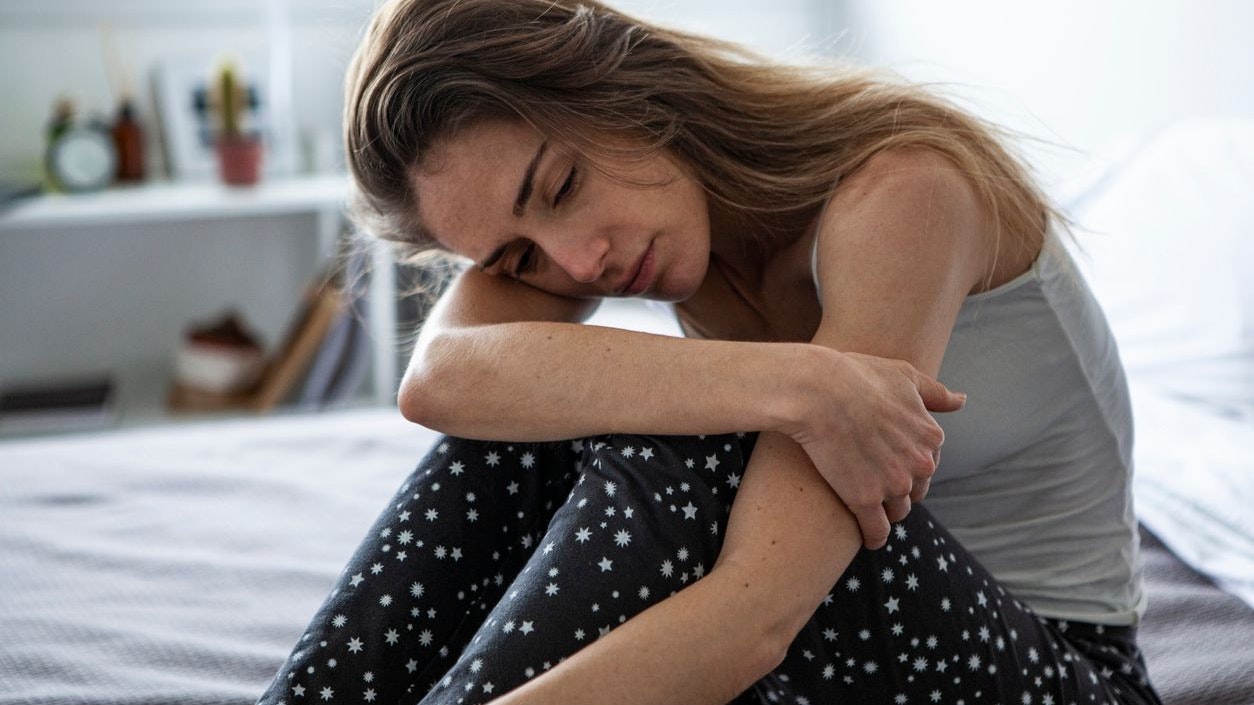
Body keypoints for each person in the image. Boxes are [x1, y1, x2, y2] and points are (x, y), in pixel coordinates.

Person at [258, 0, 1162, 703]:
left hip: (1052, 672)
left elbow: (754, 616)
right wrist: (799, 379)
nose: (577, 263)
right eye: (516, 258)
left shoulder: (903, 191)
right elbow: (443, 379)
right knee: (533, 426)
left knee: (694, 441)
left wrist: (755, 396)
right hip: (824, 660)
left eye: (563, 185)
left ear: (626, 84)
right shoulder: (612, 233)